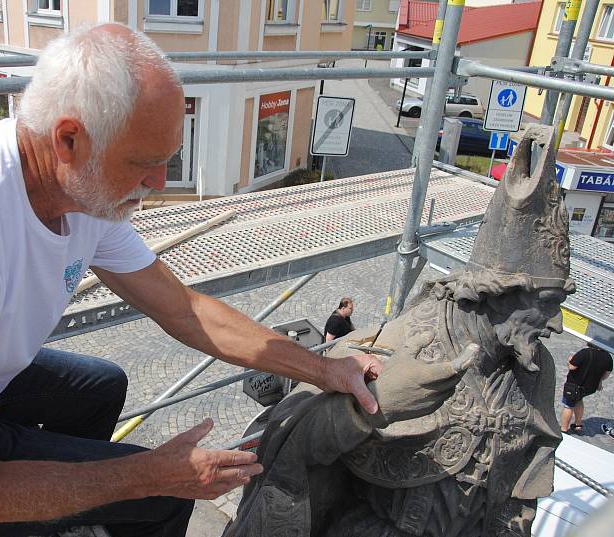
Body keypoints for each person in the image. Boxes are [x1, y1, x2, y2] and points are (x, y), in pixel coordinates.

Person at [0, 23, 387, 537]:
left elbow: (181, 308)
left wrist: (323, 368)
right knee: (162, 499)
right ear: (69, 139)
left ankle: (74, 517)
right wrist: (147, 476)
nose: (158, 182)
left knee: (101, 385)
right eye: (143, 163)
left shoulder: (79, 190)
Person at [225, 126, 574, 537]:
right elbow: (292, 442)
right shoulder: (389, 350)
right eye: (545, 305)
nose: (555, 325)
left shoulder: (534, 369)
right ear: (495, 295)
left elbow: (521, 487)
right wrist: (372, 408)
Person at [560, 342, 612, 434]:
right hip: (590, 388)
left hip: (574, 386)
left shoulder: (584, 353)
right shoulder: (608, 357)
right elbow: (606, 374)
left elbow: (572, 367)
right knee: (579, 399)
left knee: (568, 406)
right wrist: (599, 381)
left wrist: (570, 360)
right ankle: (578, 425)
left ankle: (564, 429)